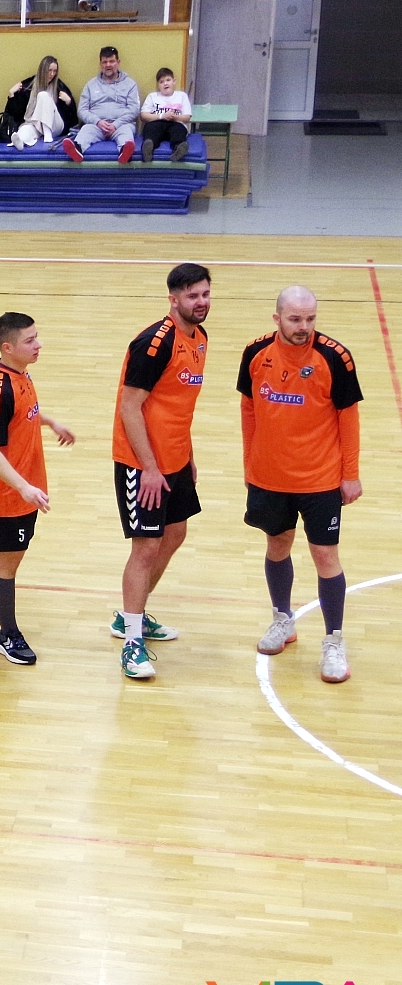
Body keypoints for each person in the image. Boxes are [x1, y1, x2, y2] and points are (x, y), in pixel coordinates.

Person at [238, 286, 363, 684]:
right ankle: (283, 619)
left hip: (320, 479)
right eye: (295, 319)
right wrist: (250, 465)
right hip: (269, 477)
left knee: (325, 556)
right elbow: (248, 409)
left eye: (310, 319)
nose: (303, 327)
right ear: (277, 318)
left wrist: (350, 474)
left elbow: (348, 419)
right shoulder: (255, 353)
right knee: (277, 546)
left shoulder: (335, 357)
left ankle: (334, 641)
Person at [0, 312, 75, 666]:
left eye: (37, 337)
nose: (38, 345)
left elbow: (23, 414)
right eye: (30, 341)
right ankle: (9, 636)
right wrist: (23, 487)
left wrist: (50, 421)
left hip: (22, 490)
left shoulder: (20, 375)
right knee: (7, 561)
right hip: (7, 494)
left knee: (4, 554)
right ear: (7, 347)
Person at [110, 262, 211, 680]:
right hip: (142, 463)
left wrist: (187, 455)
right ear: (173, 299)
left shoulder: (200, 338)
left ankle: (130, 615)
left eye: (205, 294)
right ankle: (131, 643)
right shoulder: (154, 343)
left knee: (175, 533)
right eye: (192, 295)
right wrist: (150, 468)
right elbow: (129, 407)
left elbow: (176, 406)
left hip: (175, 459)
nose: (201, 302)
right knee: (145, 548)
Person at [62, 46, 139, 164]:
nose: (108, 65)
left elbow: (134, 109)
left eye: (112, 61)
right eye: (105, 62)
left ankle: (125, 152)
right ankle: (77, 149)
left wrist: (116, 124)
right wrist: (97, 121)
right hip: (96, 125)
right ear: (100, 64)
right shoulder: (90, 85)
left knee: (127, 132)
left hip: (121, 125)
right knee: (86, 130)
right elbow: (82, 110)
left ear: (118, 62)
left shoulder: (130, 84)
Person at [7, 55, 76, 149]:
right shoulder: (28, 86)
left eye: (54, 71)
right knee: (25, 129)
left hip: (55, 126)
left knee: (43, 95)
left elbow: (72, 118)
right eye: (49, 70)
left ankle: (48, 135)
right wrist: (11, 94)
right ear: (42, 70)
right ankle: (21, 140)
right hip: (36, 124)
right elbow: (16, 113)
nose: (52, 74)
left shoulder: (59, 87)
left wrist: (69, 102)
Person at [139, 67, 192, 163]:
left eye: (168, 80)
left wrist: (175, 117)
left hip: (175, 123)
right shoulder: (152, 96)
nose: (165, 83)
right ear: (158, 85)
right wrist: (162, 116)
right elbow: (143, 116)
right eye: (161, 82)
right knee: (151, 130)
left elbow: (187, 117)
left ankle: (178, 148)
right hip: (157, 122)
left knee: (178, 131)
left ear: (174, 81)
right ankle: (148, 149)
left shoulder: (182, 96)